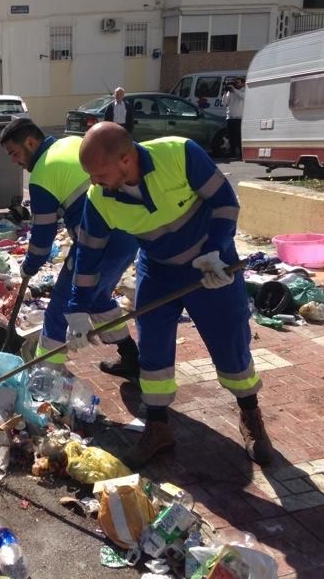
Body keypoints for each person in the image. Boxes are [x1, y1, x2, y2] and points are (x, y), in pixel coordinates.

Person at [67, 122, 273, 469]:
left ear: (126, 159)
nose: (93, 182)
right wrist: (76, 308)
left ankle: (250, 415)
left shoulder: (180, 154)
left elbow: (225, 202)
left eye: (99, 173)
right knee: (153, 351)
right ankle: (158, 426)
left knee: (230, 344)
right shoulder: (99, 198)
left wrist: (215, 251)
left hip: (210, 266)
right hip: (158, 271)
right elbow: (88, 253)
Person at [0, 118, 140, 377]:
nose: (14, 161)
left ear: (31, 142)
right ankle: (131, 357)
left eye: (14, 153)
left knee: (60, 310)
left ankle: (45, 378)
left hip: (99, 243)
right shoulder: (73, 143)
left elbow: (43, 238)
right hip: (128, 237)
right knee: (96, 298)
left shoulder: (41, 174)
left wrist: (28, 267)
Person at [222, 76, 245, 158]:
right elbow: (224, 103)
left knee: (239, 137)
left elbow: (243, 97)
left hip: (239, 118)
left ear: (243, 83)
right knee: (231, 137)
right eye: (235, 83)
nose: (236, 84)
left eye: (238, 83)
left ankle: (241, 155)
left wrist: (234, 90)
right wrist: (225, 92)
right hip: (230, 117)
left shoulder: (244, 91)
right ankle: (232, 153)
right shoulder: (230, 92)